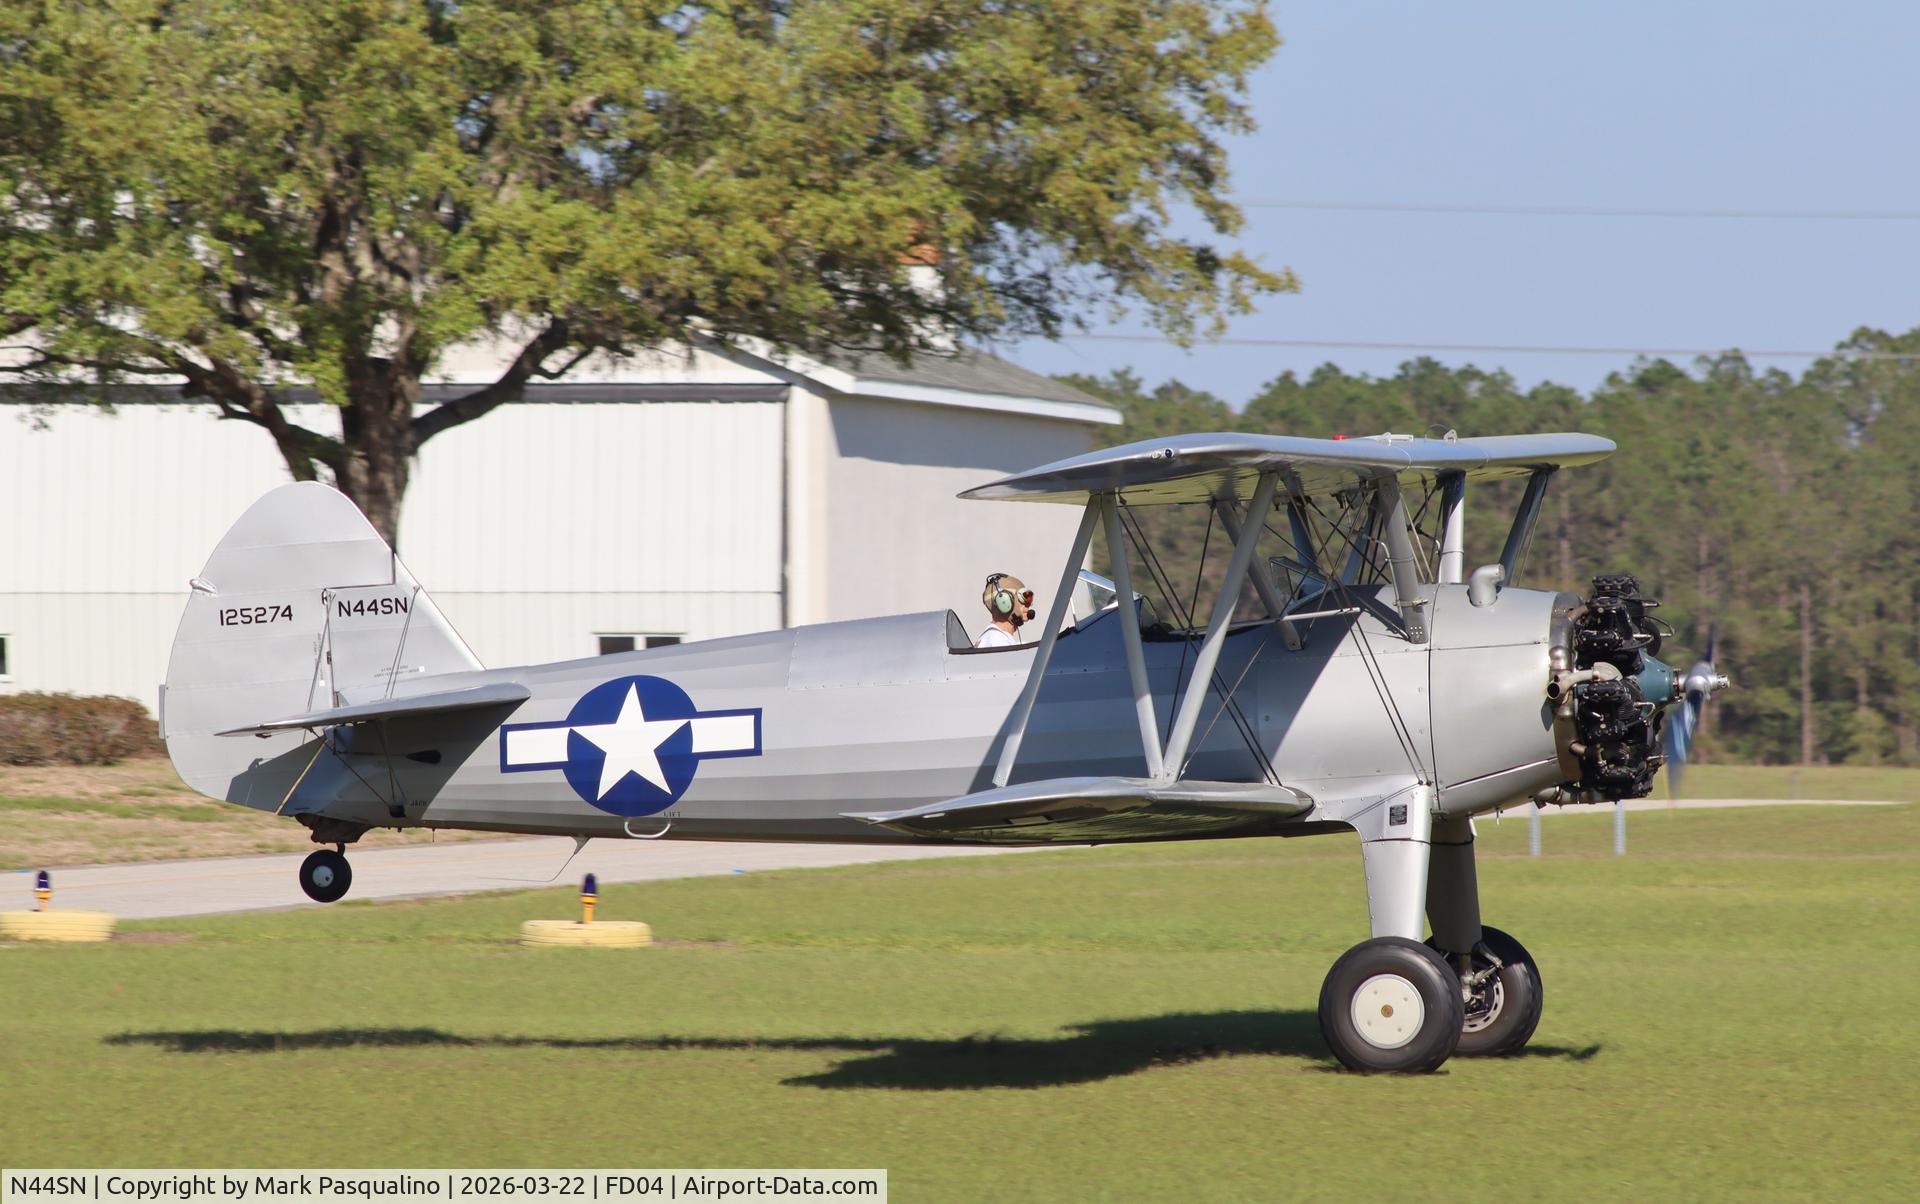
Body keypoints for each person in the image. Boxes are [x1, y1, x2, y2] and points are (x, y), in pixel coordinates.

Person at [977, 573, 1036, 648]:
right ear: (1004, 601)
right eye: (1024, 598)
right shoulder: (998, 641)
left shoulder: (996, 638)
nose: (1029, 605)